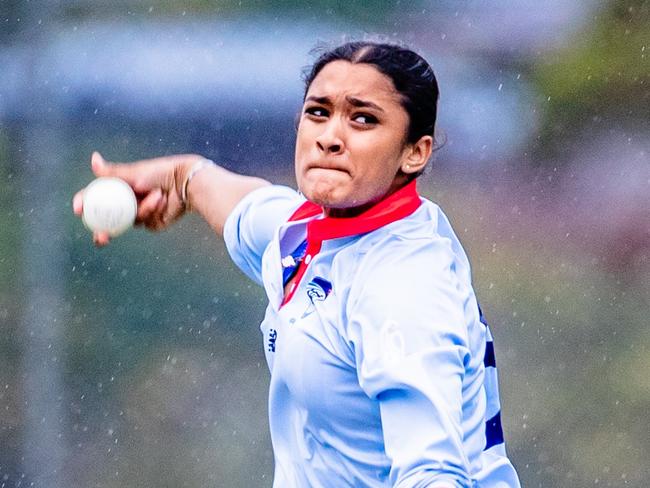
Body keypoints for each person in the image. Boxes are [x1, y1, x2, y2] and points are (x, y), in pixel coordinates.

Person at [73, 41, 521, 487]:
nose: (330, 136)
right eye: (318, 112)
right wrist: (182, 178)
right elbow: (248, 207)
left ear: (415, 152)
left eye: (363, 118)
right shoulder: (312, 231)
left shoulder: (401, 287)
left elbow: (433, 476)